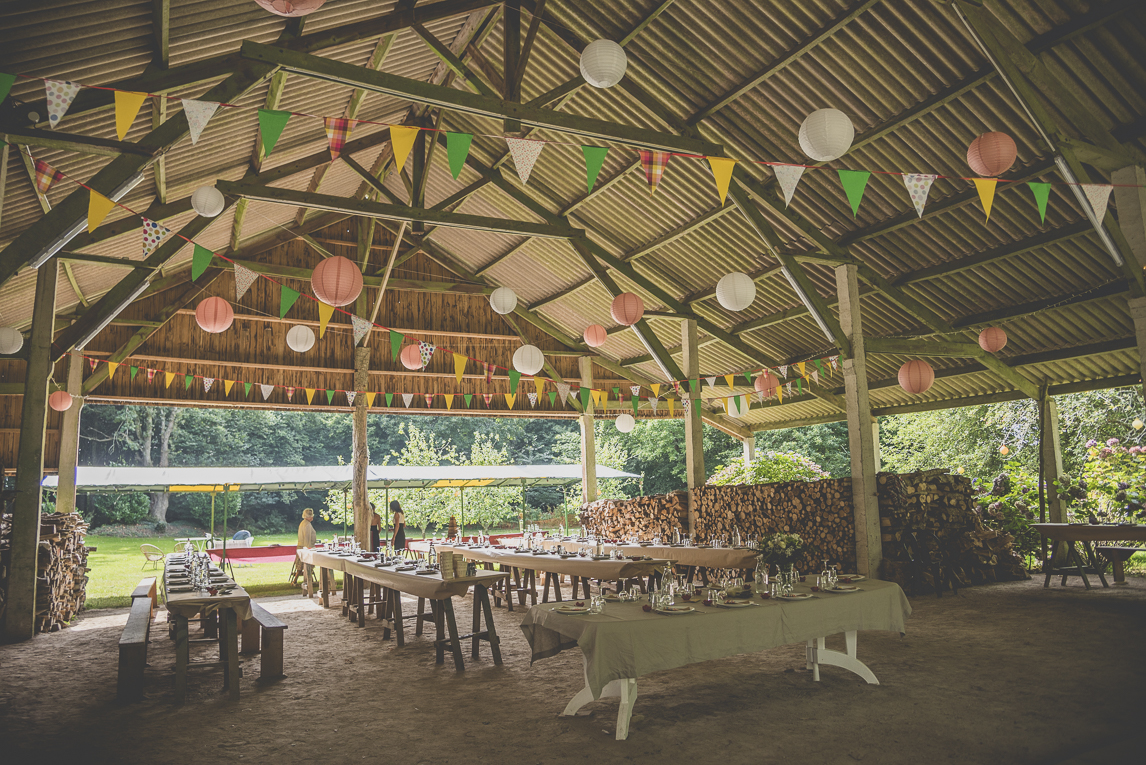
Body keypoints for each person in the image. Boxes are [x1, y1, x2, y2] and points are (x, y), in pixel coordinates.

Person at [297, 508, 318, 594]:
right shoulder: (307, 525)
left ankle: (309, 581)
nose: (312, 517)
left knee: (303, 566)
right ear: (308, 517)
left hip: (302, 546)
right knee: (307, 565)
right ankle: (309, 581)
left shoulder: (303, 523)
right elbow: (307, 537)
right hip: (306, 547)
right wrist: (309, 548)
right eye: (311, 516)